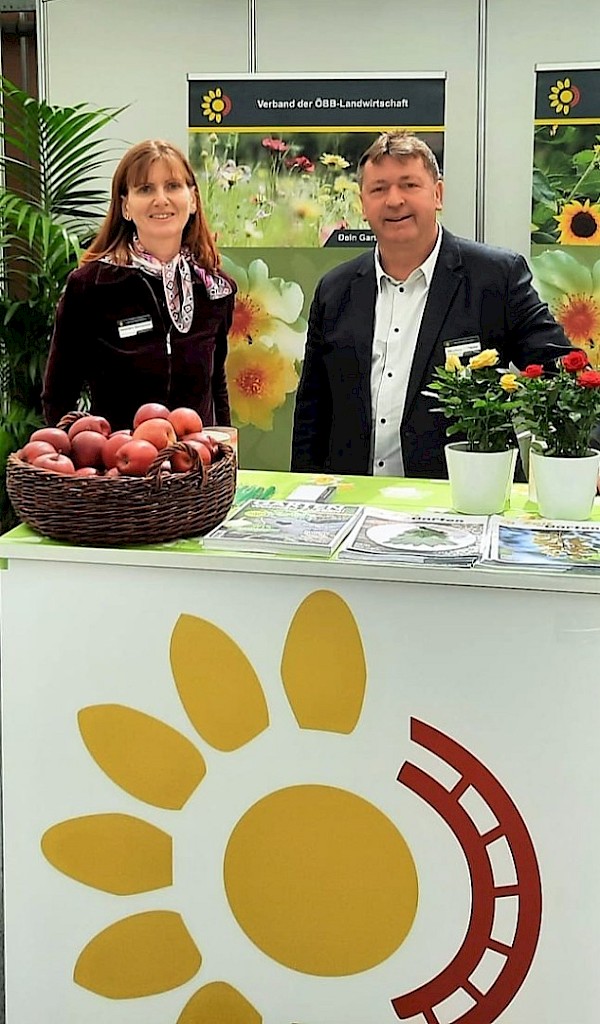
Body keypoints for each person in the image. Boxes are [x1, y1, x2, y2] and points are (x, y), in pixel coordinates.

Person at [291, 131, 573, 478]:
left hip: (468, 497)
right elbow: (312, 413)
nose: (394, 200)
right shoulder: (334, 290)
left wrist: (587, 455)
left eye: (409, 185)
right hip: (355, 499)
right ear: (363, 204)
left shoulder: (496, 277)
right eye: (379, 189)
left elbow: (564, 372)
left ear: (437, 194)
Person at [42, 139, 235, 431]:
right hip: (117, 459)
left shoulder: (216, 290)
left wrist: (225, 449)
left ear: (193, 200)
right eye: (145, 189)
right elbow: (58, 397)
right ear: (126, 207)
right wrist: (81, 452)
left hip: (195, 458)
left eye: (173, 186)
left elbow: (216, 386)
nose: (161, 199)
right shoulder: (90, 287)